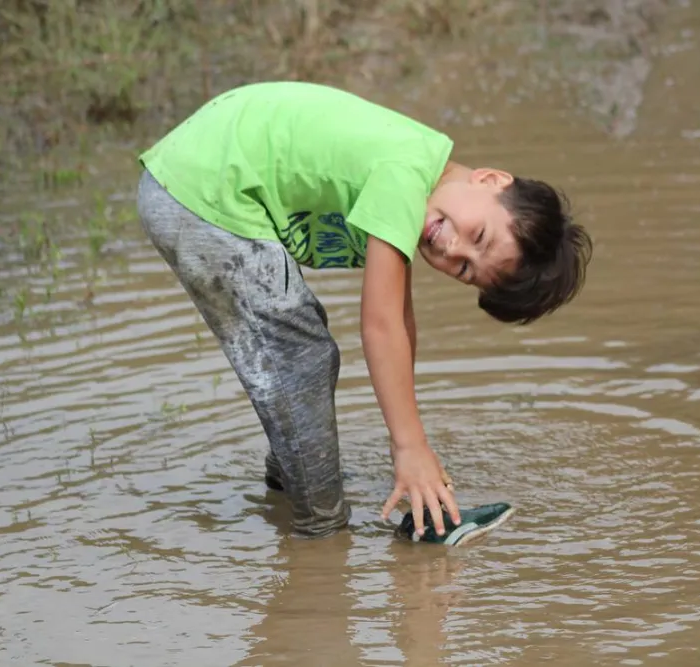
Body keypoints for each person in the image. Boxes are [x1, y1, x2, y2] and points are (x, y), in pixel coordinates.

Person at [135, 81, 592, 541]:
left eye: (466, 270)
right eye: (480, 237)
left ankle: (297, 476)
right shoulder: (405, 175)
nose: (453, 250)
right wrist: (410, 447)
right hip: (202, 189)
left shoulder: (421, 177)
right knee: (302, 357)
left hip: (205, 173)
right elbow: (381, 324)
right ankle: (323, 536)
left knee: (300, 349)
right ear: (492, 180)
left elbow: (401, 322)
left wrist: (414, 436)